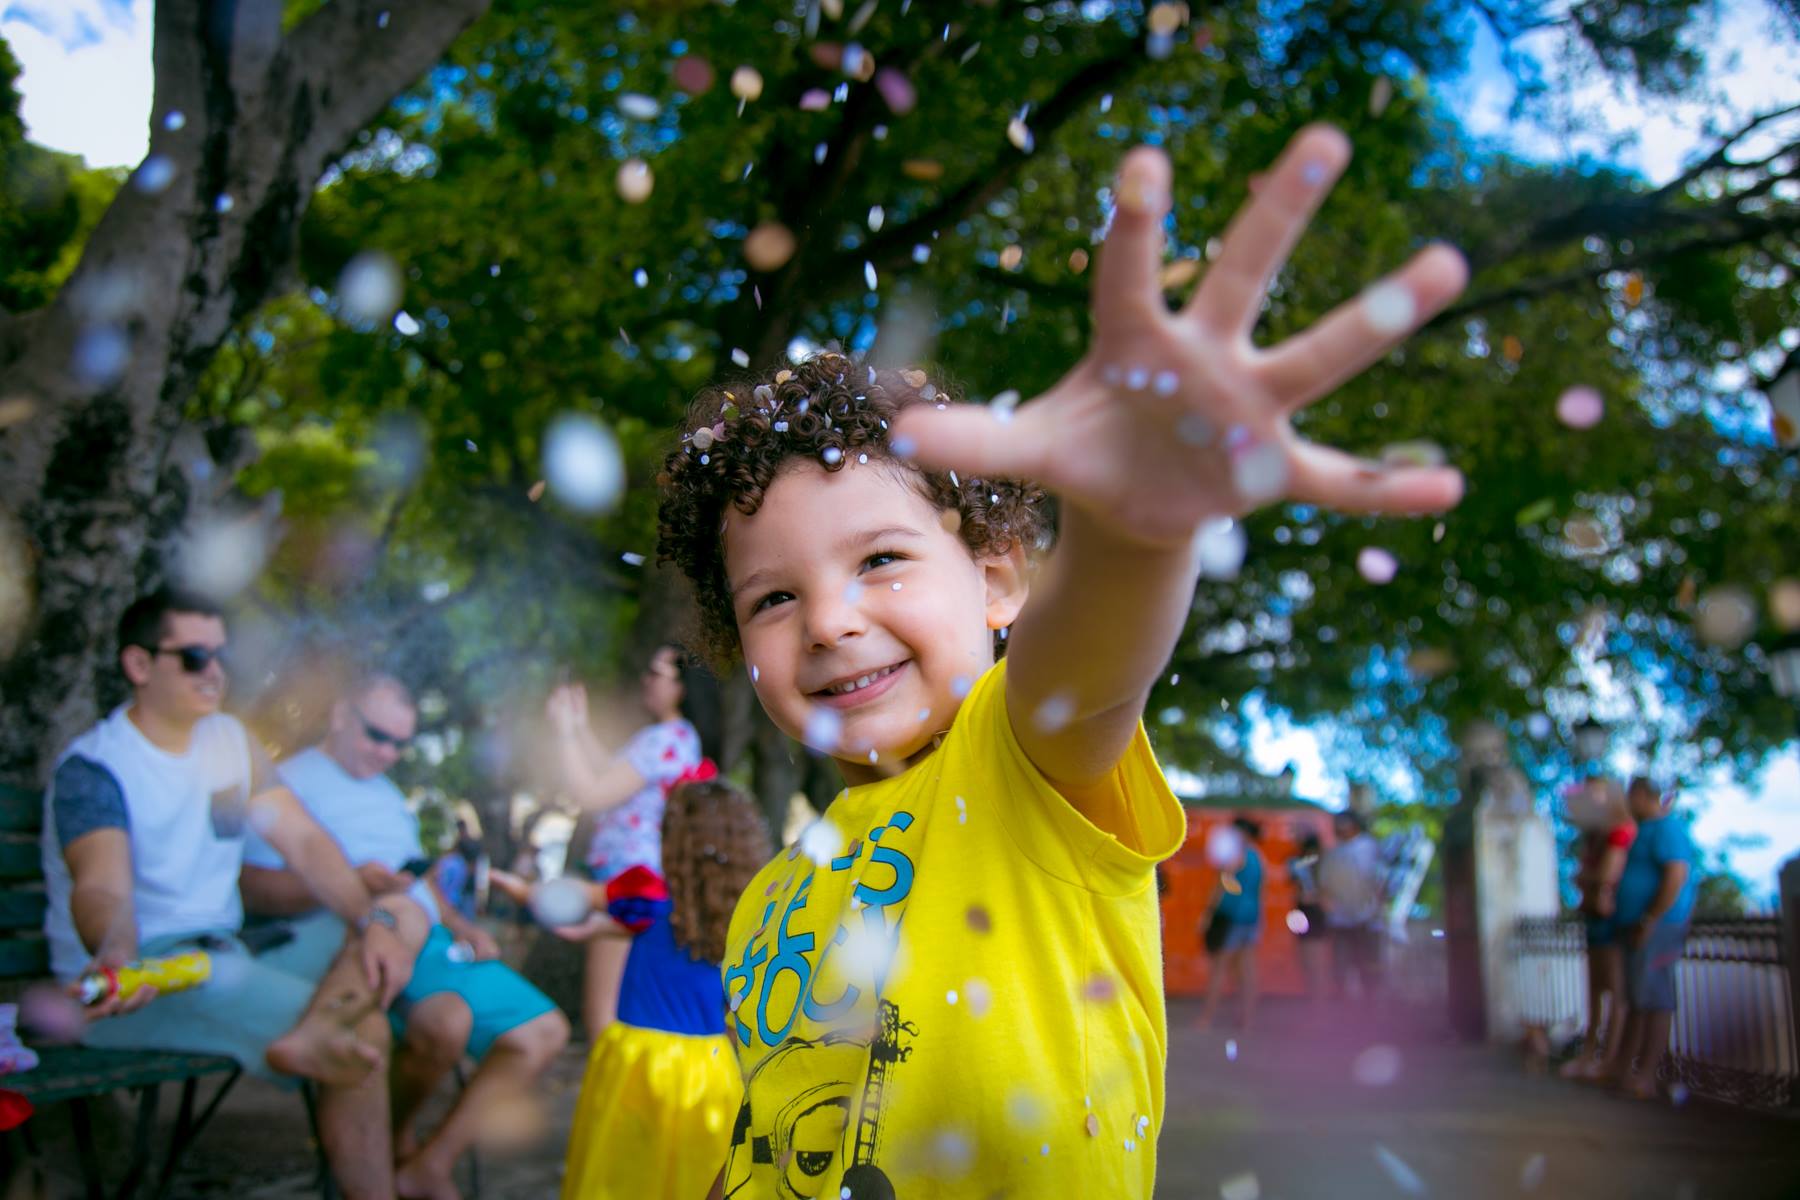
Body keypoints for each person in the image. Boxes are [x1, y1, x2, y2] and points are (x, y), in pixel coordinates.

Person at [656, 125, 1470, 1196]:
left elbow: (1087, 660)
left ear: (997, 580)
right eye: (773, 597)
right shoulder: (769, 896)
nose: (829, 623)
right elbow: (765, 1134)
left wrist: (1139, 525)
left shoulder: (1025, 759)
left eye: (883, 560)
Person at [40, 589, 421, 1200]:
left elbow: (304, 841)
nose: (215, 672)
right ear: (139, 666)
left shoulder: (230, 742)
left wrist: (370, 916)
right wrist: (117, 953)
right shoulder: (97, 766)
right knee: (366, 1033)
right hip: (146, 974)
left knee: (400, 912)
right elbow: (102, 886)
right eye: (194, 657)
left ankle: (316, 1031)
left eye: (221, 656)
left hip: (225, 954)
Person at [240, 673, 569, 1200]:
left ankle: (427, 1163)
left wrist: (462, 925)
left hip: (429, 940)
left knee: (546, 1032)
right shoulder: (289, 782)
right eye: (377, 736)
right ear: (340, 715)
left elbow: (415, 882)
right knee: (446, 1023)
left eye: (400, 742)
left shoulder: (390, 794)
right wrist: (350, 886)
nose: (389, 752)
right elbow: (252, 889)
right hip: (354, 946)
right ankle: (395, 1146)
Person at [556, 777, 773, 1200]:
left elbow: (579, 908)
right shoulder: (752, 915)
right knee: (697, 1177)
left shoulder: (645, 902)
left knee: (621, 1180)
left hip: (636, 1065)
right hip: (711, 1071)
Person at [544, 645, 722, 1041]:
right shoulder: (678, 738)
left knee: (603, 1017)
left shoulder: (661, 739)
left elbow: (592, 792)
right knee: (624, 1008)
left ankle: (610, 1097)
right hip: (644, 880)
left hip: (627, 880)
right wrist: (579, 727)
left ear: (682, 688)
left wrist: (562, 734)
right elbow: (613, 771)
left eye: (656, 673)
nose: (646, 680)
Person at [1605, 776, 1696, 1100]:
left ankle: (1646, 1075)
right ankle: (1622, 1068)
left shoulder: (1666, 828)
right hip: (1637, 926)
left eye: (1632, 795)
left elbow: (1675, 875)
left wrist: (1650, 918)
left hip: (1657, 927)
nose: (1628, 801)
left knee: (1655, 999)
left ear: (1644, 795)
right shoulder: (1643, 830)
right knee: (1636, 999)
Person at [1559, 775, 1636, 1081]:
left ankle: (1609, 1057)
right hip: (1594, 915)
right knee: (1595, 988)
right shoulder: (1596, 835)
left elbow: (1604, 873)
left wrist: (1593, 883)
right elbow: (1585, 874)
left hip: (1610, 918)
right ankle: (1590, 1052)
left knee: (1613, 989)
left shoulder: (1619, 831)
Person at [1200, 817, 1264, 1031]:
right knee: (1246, 970)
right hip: (1251, 918)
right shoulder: (1258, 857)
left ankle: (1207, 1019)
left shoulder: (1234, 856)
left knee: (1219, 968)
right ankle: (1248, 1019)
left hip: (1230, 917)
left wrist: (1208, 914)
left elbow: (1220, 886)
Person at [1319, 809, 1386, 1001]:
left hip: (1366, 919)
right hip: (1340, 920)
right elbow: (1325, 884)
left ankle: (1369, 1011)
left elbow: (1379, 882)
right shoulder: (1334, 852)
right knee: (1341, 968)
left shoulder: (1369, 848)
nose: (1338, 828)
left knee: (1368, 968)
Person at [1289, 830, 1330, 1005]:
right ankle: (1315, 999)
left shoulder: (1312, 864)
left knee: (1315, 961)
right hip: (1306, 912)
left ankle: (1318, 1000)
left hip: (1313, 912)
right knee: (1308, 960)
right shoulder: (1304, 864)